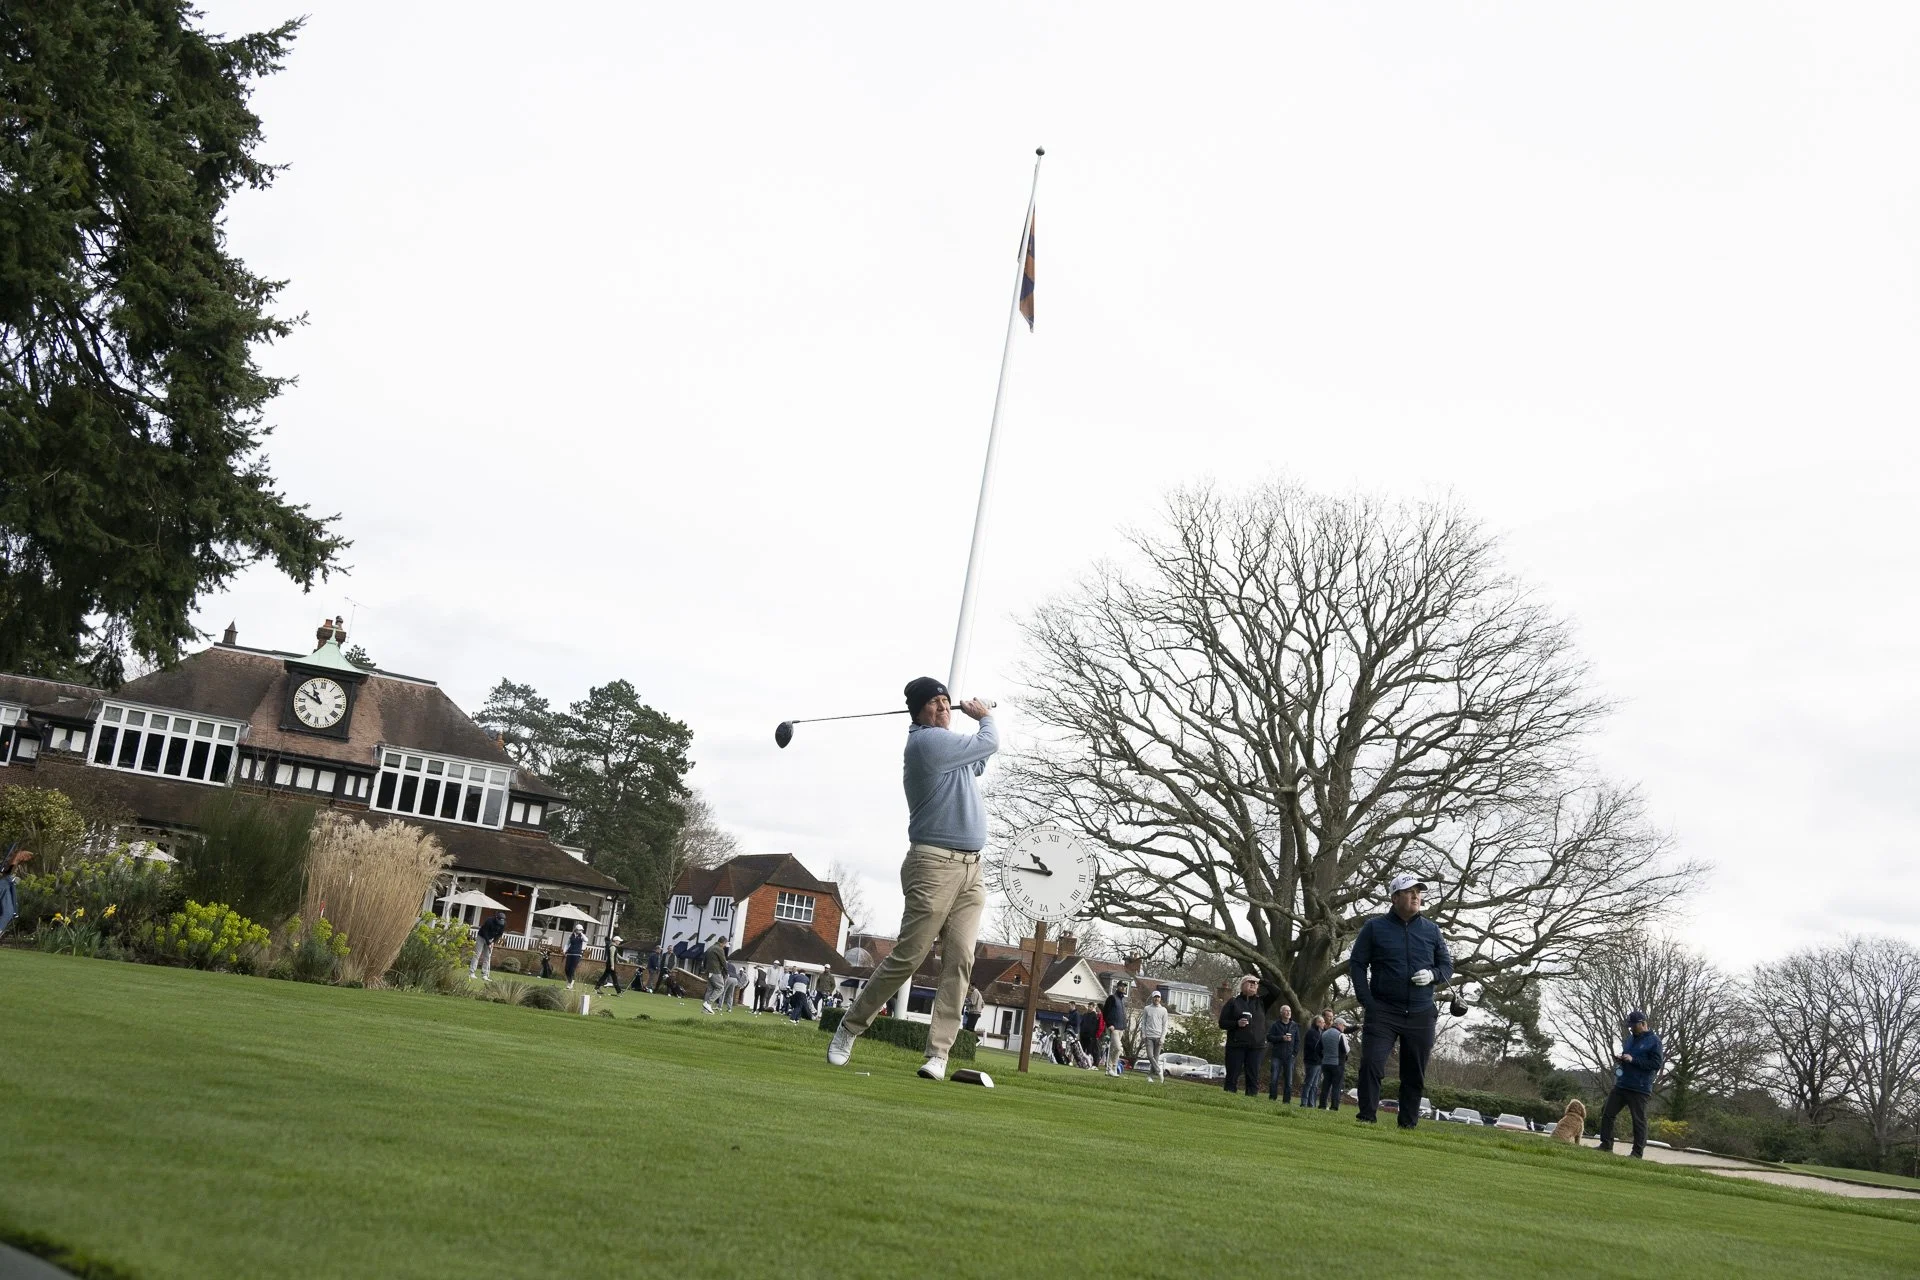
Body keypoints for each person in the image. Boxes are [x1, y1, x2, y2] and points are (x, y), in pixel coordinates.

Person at [827, 678, 997, 1082]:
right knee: (910, 956)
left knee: (960, 960)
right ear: (919, 712)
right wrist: (985, 717)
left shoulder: (946, 746)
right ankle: (849, 1028)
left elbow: (977, 762)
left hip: (973, 869)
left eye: (946, 703)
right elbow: (987, 744)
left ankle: (938, 1054)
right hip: (933, 865)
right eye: (935, 704)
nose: (943, 709)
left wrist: (973, 724)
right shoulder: (925, 744)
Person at [1350, 872, 1454, 1128]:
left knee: (1414, 1074)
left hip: (1420, 1012)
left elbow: (1446, 966)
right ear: (1395, 897)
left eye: (1418, 892)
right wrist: (1367, 1001)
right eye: (1409, 892)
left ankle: (1407, 1125)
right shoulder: (1374, 927)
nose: (1416, 896)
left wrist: (1433, 974)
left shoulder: (1431, 930)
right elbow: (1357, 964)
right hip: (1383, 1010)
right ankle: (1366, 1118)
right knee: (1372, 1064)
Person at [1599, 1011, 1665, 1158]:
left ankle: (1637, 1153)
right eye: (1630, 1026)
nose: (1631, 1029)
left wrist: (1633, 1060)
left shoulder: (1655, 1041)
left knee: (1638, 1121)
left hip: (1640, 1088)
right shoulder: (1629, 1039)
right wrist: (1621, 1059)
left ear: (1643, 1023)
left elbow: (1656, 1064)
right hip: (1622, 1084)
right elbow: (1628, 1056)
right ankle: (1606, 1145)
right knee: (1607, 1113)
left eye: (1634, 1026)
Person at [1218, 974, 1266, 1097]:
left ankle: (1251, 1099)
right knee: (1233, 1074)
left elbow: (1276, 991)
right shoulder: (1233, 1002)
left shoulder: (1261, 1002)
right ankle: (1229, 1098)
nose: (1253, 984)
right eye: (1249, 982)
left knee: (1253, 1075)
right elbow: (1222, 1023)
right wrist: (1236, 1023)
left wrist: (1260, 980)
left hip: (1256, 1046)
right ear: (1242, 985)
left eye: (1255, 983)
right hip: (1236, 1045)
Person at [1266, 1003, 1300, 1103]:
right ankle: (1272, 1098)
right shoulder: (1275, 1025)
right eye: (1286, 1010)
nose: (1288, 1012)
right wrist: (1281, 1038)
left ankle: (1286, 1101)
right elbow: (1269, 1037)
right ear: (1281, 1013)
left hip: (1290, 1056)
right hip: (1277, 1055)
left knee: (1289, 1081)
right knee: (1274, 1078)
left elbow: (1297, 1041)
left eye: (1289, 1011)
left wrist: (1294, 1053)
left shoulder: (1294, 1026)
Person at [0, 846, 32, 942]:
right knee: (8, 912)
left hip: (5, 884)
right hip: (3, 885)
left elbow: (6, 872)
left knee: (8, 912)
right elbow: (6, 872)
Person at [1317, 1018, 1348, 1110]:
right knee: (1336, 1086)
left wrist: (1323, 1057)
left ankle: (1322, 1105)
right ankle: (1334, 1106)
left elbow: (1317, 1048)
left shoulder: (1324, 1033)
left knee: (1325, 1085)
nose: (1344, 1028)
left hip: (1326, 1063)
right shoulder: (1340, 1035)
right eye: (1344, 1026)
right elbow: (1346, 1049)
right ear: (1339, 1024)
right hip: (1337, 1063)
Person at [1139, 990, 1170, 1083]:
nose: (1157, 999)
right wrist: (1143, 1034)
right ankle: (1159, 1071)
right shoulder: (1147, 1009)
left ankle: (1150, 1076)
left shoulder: (1164, 1010)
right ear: (1152, 998)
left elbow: (1165, 1025)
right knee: (1150, 1056)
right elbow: (1143, 1022)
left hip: (1158, 1037)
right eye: (1155, 997)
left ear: (1160, 999)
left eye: (1158, 997)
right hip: (1149, 1036)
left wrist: (1162, 1038)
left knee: (1155, 1058)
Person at [1102, 979, 1130, 1077]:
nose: (1123, 988)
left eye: (1124, 986)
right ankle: (1110, 1067)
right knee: (1118, 1048)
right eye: (1121, 986)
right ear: (1117, 987)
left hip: (1121, 1027)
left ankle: (1113, 1068)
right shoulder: (1112, 998)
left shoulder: (1122, 1000)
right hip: (1113, 1027)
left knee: (1115, 1049)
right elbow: (1105, 1012)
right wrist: (1109, 1024)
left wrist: (1124, 1025)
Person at [470, 911, 507, 981]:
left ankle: (485, 975)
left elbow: (499, 934)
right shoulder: (489, 921)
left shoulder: (503, 924)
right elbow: (485, 932)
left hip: (491, 939)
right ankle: (472, 972)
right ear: (496, 917)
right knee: (477, 955)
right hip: (481, 937)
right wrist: (488, 943)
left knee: (487, 957)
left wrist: (493, 942)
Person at [1299, 1013, 1325, 1107]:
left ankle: (1311, 1103)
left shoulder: (1320, 1033)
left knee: (1314, 1085)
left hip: (1318, 1061)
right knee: (1309, 1083)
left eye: (1323, 1022)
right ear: (1316, 1023)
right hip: (1312, 1061)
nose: (1323, 1024)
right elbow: (1315, 1047)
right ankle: (1304, 1102)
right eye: (1320, 1022)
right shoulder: (1312, 1033)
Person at [702, 936, 730, 1013]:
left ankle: (705, 1010)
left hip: (708, 971)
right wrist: (726, 972)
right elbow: (723, 962)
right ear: (723, 943)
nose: (725, 946)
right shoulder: (719, 949)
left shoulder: (710, 948)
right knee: (720, 988)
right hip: (715, 971)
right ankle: (708, 1003)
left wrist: (705, 969)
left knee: (710, 990)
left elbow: (704, 960)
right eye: (725, 944)